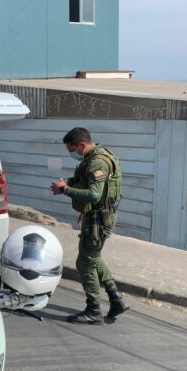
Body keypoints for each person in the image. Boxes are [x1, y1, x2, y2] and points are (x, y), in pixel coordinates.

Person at [51, 127, 129, 324]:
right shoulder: (95, 156)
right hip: (96, 215)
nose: (72, 154)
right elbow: (89, 186)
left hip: (98, 220)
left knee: (84, 263)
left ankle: (93, 310)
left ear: (82, 145)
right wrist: (83, 209)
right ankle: (115, 300)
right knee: (93, 257)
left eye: (73, 150)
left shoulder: (97, 162)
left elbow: (94, 194)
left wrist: (66, 190)